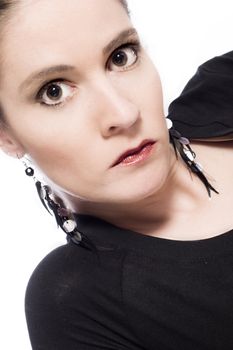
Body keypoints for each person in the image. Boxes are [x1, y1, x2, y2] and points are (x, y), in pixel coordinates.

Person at [0, 0, 233, 349]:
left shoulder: (223, 86)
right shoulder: (77, 305)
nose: (124, 114)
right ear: (7, 135)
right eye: (54, 92)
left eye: (121, 56)